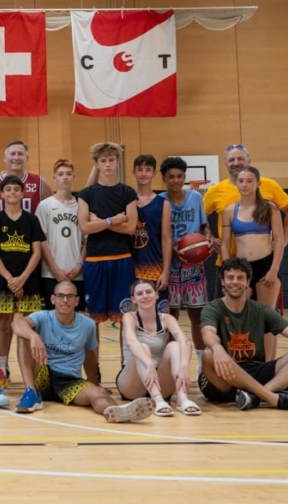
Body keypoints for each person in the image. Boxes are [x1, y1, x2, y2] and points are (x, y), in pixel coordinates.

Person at [199, 257, 288, 411]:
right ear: (222, 282)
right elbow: (208, 333)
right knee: (209, 353)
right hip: (223, 379)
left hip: (255, 370)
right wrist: (218, 349)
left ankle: (254, 397)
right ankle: (272, 398)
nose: (235, 282)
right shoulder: (213, 308)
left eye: (240, 278)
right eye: (230, 277)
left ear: (247, 283)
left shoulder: (260, 310)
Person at [10, 280, 154, 422]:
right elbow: (17, 323)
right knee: (24, 335)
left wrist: (95, 384)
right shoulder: (42, 317)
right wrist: (34, 336)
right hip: (42, 374)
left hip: (70, 381)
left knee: (99, 394)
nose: (65, 300)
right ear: (53, 299)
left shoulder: (87, 324)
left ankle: (117, 412)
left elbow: (89, 357)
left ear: (77, 301)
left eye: (70, 296)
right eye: (60, 296)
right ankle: (31, 392)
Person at [204, 143, 288, 299]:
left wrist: (283, 240)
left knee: (265, 312)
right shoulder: (215, 192)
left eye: (240, 158)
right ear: (225, 163)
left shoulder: (269, 187)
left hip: (264, 260)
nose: (236, 163)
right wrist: (209, 237)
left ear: (249, 160)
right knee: (230, 311)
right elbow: (200, 217)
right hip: (230, 261)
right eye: (231, 160)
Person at [77, 142, 138, 384]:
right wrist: (112, 220)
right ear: (97, 164)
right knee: (93, 321)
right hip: (95, 261)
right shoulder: (87, 194)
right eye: (103, 161)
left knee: (126, 318)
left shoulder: (127, 192)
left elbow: (131, 228)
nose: (108, 164)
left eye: (111, 160)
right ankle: (94, 374)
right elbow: (85, 226)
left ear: (117, 162)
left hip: (122, 259)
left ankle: (126, 370)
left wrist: (99, 222)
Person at [221, 166, 286, 361]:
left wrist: (274, 269)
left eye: (249, 181)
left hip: (265, 265)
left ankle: (267, 365)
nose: (245, 184)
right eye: (241, 181)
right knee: (242, 317)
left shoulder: (270, 208)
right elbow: (225, 243)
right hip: (242, 269)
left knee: (266, 318)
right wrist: (228, 272)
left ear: (258, 183)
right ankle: (247, 362)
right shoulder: (229, 211)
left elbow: (279, 240)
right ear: (236, 183)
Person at [0, 174, 45, 386]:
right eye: (8, 189)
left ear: (22, 193)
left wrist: (23, 279)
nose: (12, 192)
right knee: (3, 323)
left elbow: (37, 253)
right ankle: (2, 368)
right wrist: (11, 279)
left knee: (29, 324)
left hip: (29, 281)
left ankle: (31, 369)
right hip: (4, 281)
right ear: (2, 194)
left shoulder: (32, 220)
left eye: (16, 189)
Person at [159, 156, 213, 375]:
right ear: (163, 178)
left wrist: (208, 238)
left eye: (180, 176)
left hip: (194, 267)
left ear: (185, 177)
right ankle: (172, 364)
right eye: (171, 176)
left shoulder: (195, 197)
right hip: (170, 266)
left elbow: (204, 226)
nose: (176, 180)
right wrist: (173, 250)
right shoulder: (159, 201)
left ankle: (201, 366)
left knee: (197, 317)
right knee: (171, 318)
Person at [116, 280, 199, 416]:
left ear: (156, 294)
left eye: (149, 292)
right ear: (133, 299)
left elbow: (185, 342)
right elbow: (131, 342)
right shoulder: (129, 317)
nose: (145, 296)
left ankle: (182, 398)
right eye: (140, 293)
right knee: (143, 347)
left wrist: (184, 366)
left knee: (174, 346)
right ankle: (158, 400)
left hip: (160, 380)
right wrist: (149, 364)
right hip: (132, 382)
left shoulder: (167, 319)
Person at [35, 159, 86, 312]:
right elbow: (41, 241)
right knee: (53, 316)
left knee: (77, 316)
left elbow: (88, 240)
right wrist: (55, 269)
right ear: (54, 177)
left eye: (68, 174)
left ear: (74, 177)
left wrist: (79, 265)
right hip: (50, 273)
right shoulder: (45, 206)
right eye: (61, 174)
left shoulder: (82, 206)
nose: (65, 177)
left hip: (76, 273)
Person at [129, 155, 172, 306]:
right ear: (133, 172)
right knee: (129, 315)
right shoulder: (126, 200)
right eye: (140, 169)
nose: (143, 173)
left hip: (154, 268)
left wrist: (166, 271)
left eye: (147, 170)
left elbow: (166, 239)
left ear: (154, 173)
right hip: (128, 269)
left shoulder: (163, 204)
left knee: (159, 315)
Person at [0, 140, 52, 217]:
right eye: (13, 154)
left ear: (27, 158)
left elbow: (53, 210)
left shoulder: (40, 182)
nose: (16, 157)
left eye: (20, 154)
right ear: (5, 158)